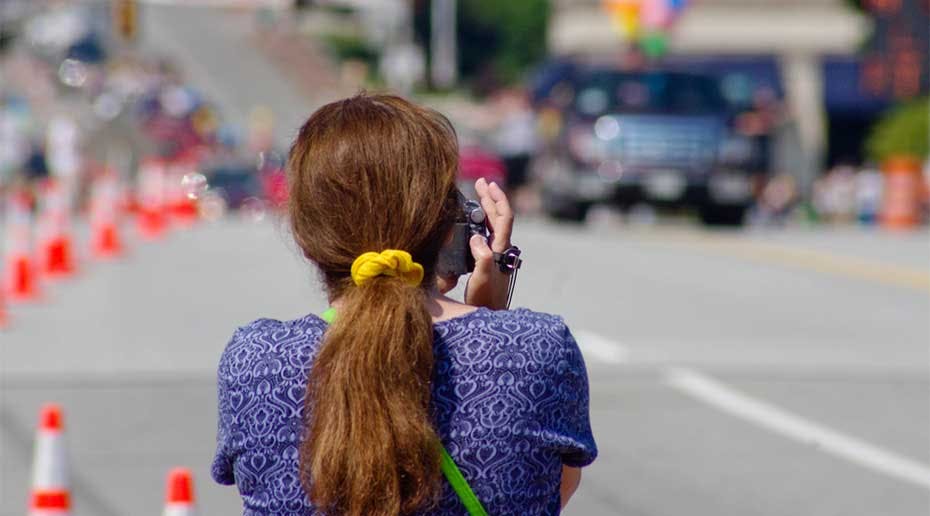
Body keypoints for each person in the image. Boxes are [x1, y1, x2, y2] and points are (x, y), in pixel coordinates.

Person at [211, 94, 596, 515]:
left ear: (306, 240)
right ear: (449, 227)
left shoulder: (256, 361)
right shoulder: (538, 349)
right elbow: (543, 493)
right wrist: (492, 323)